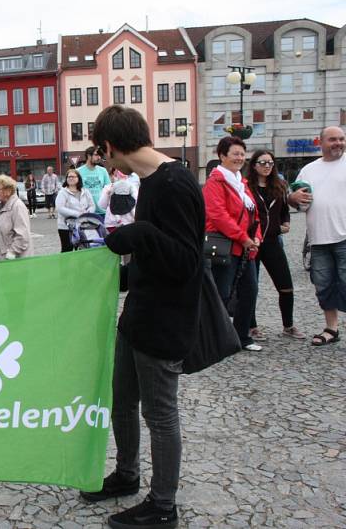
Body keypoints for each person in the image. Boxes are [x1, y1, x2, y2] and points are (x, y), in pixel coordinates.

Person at [79, 106, 204, 529]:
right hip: (138, 317)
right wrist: (115, 279)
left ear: (110, 146)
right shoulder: (149, 182)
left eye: (101, 150)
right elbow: (154, 261)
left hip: (165, 323)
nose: (102, 159)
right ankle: (127, 475)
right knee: (121, 401)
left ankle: (163, 505)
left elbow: (187, 262)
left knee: (160, 414)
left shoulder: (175, 183)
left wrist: (140, 235)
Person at [203, 136, 263, 352]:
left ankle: (241, 336)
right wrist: (243, 237)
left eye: (242, 154)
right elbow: (218, 215)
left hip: (245, 247)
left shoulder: (241, 183)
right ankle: (214, 337)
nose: (240, 158)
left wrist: (256, 236)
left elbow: (253, 213)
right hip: (226, 246)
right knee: (222, 292)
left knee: (250, 290)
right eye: (235, 153)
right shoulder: (215, 182)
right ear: (222, 156)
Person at [288, 126, 346, 346]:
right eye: (333, 139)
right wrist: (292, 198)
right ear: (320, 142)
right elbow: (298, 201)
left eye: (341, 139)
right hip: (319, 239)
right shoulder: (309, 170)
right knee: (324, 285)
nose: (338, 143)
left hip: (344, 237)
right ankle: (332, 329)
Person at [245, 149, 303, 341]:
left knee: (285, 284)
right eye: (262, 163)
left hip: (272, 241)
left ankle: (288, 325)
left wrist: (285, 224)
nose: (267, 166)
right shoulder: (247, 188)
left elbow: (284, 209)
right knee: (250, 286)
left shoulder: (279, 186)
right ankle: (251, 326)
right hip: (252, 242)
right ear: (254, 165)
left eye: (270, 163)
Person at [0, 174, 33, 260]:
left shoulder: (17, 206)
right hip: (1, 257)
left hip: (14, 261)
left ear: (8, 190)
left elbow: (23, 236)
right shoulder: (0, 205)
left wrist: (11, 253)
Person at [55, 169, 95, 252]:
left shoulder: (85, 191)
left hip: (82, 225)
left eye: (73, 176)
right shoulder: (63, 192)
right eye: (69, 177)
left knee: (83, 247)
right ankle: (65, 265)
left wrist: (88, 213)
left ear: (78, 178)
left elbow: (92, 205)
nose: (70, 178)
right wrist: (78, 214)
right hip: (66, 227)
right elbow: (60, 208)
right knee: (67, 249)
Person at [79, 145, 111, 214]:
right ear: (88, 156)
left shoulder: (103, 171)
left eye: (100, 155)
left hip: (103, 212)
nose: (99, 157)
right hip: (86, 211)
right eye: (96, 155)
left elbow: (109, 189)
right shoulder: (78, 172)